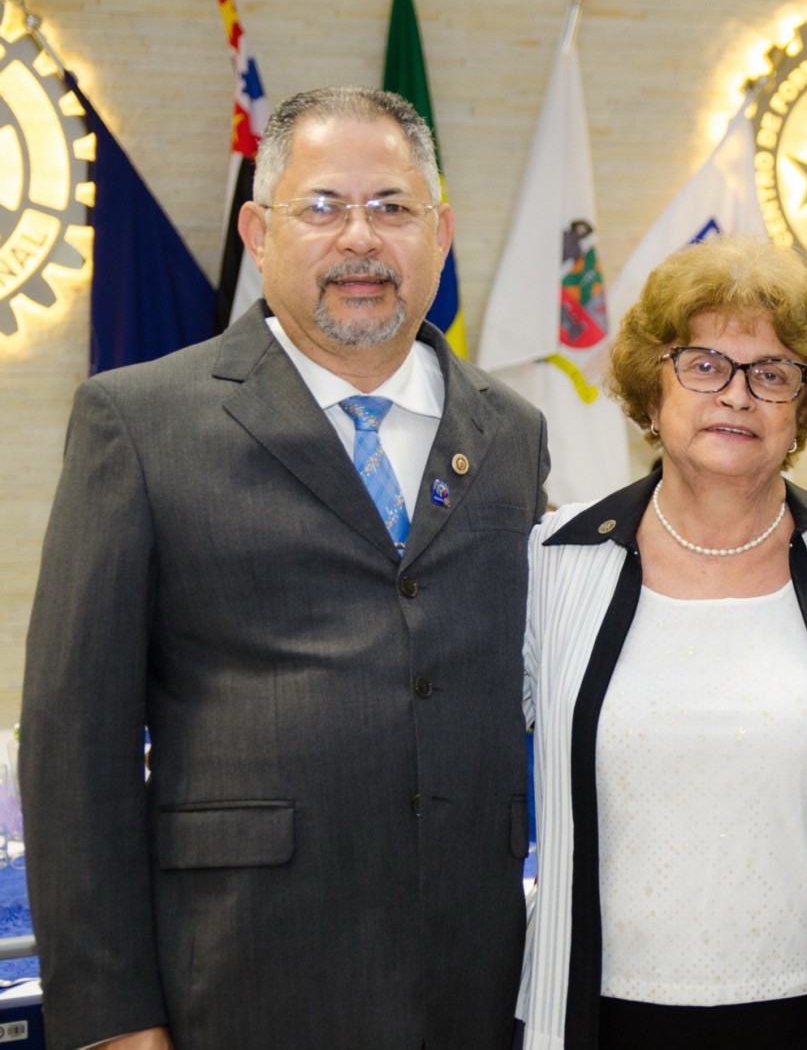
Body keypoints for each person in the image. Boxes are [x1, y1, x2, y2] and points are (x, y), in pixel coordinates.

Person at [20, 87, 549, 1049]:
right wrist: (110, 1020)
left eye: (393, 207)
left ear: (440, 235)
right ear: (259, 234)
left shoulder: (511, 432)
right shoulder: (139, 422)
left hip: (475, 981)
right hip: (239, 977)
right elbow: (75, 745)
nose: (361, 238)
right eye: (323, 206)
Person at [517, 233, 807, 1049]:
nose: (738, 396)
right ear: (651, 393)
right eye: (705, 365)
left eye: (772, 373)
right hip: (597, 1014)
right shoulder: (557, 560)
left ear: (803, 409)